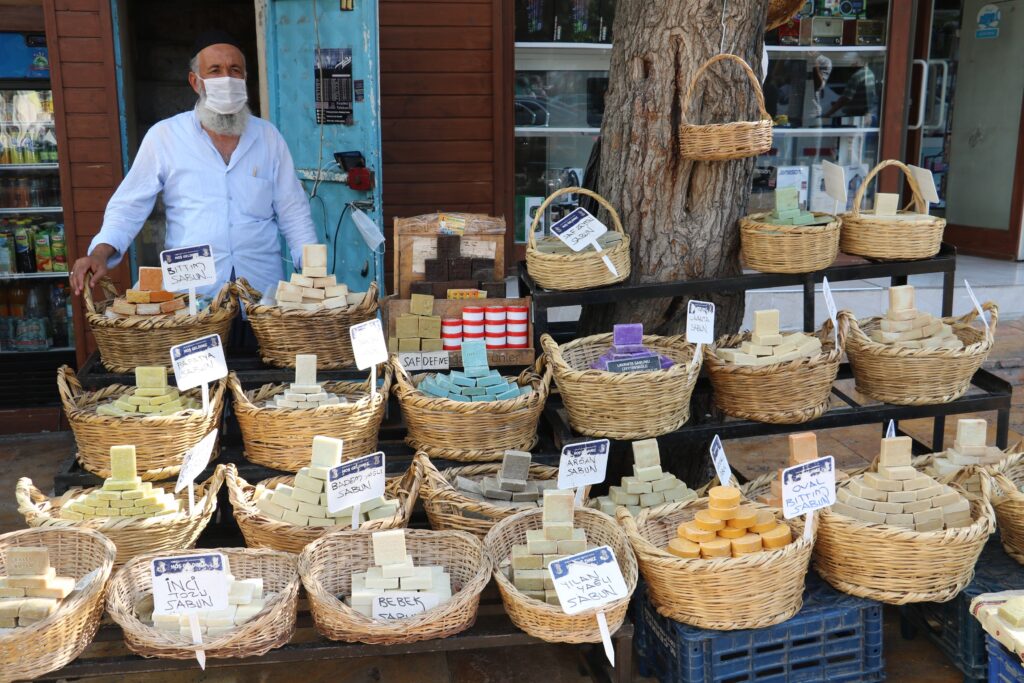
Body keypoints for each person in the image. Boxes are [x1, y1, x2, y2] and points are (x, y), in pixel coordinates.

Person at [70, 30, 317, 298]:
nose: (226, 78)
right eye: (215, 70)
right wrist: (100, 253)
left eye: (235, 70)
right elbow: (128, 206)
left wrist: (314, 272)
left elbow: (293, 211)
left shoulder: (268, 137)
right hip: (192, 295)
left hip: (260, 291)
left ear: (245, 78)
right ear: (195, 82)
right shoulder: (165, 136)